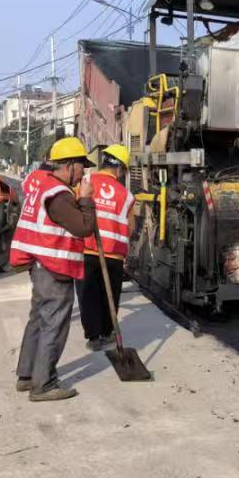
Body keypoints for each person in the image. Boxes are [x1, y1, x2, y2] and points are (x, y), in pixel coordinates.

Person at [10, 137, 96, 401]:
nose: (84, 173)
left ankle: (27, 375)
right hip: (53, 266)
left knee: (38, 318)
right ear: (69, 165)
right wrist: (86, 201)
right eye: (82, 166)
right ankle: (44, 384)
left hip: (40, 263)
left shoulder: (44, 185)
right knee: (53, 323)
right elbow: (84, 227)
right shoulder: (59, 196)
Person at [77, 145, 135, 352]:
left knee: (88, 294)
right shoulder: (126, 195)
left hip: (86, 250)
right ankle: (108, 332)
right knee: (110, 294)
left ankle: (93, 337)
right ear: (119, 169)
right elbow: (131, 226)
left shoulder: (85, 183)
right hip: (114, 254)